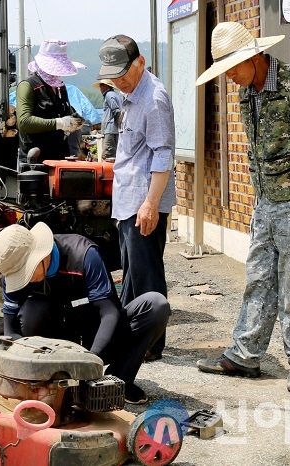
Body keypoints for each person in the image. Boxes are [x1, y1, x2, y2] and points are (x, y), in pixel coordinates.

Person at [194, 22, 290, 392]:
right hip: (266, 201)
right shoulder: (248, 92)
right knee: (259, 276)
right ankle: (245, 355)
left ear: (255, 57)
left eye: (233, 68)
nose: (230, 77)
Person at [0, 222, 170, 404]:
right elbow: (11, 332)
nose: (23, 279)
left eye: (25, 271)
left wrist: (89, 362)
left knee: (156, 305)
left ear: (39, 255)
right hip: (53, 350)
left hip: (95, 336)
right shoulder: (12, 274)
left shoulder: (84, 255)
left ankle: (116, 382)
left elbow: (109, 313)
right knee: (33, 311)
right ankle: (52, 383)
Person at [96, 34, 176, 362]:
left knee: (146, 276)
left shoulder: (153, 98)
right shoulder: (130, 94)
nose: (119, 82)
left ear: (140, 62)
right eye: (113, 77)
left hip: (144, 202)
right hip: (130, 201)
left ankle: (150, 344)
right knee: (131, 273)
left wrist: (150, 204)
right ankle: (132, 334)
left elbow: (163, 153)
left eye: (123, 75)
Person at [16, 40, 85, 164]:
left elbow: (67, 112)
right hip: (35, 160)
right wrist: (58, 123)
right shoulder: (28, 85)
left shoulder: (60, 87)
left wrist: (75, 121)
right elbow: (23, 122)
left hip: (59, 157)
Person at [92, 79, 122, 159]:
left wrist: (119, 126)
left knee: (108, 155)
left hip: (111, 130)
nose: (100, 88)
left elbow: (116, 110)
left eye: (101, 85)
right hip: (113, 130)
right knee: (112, 154)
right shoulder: (113, 94)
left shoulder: (109, 95)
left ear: (106, 86)